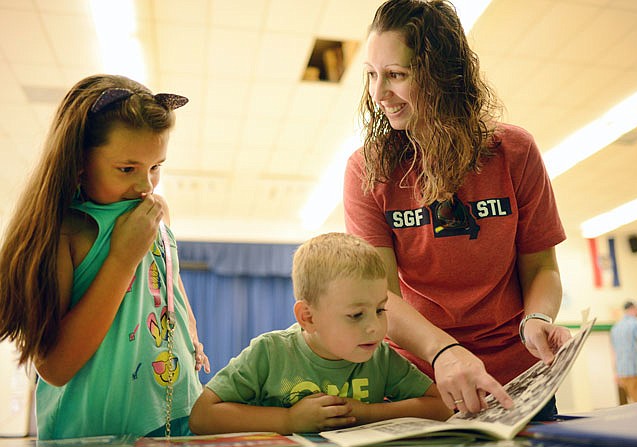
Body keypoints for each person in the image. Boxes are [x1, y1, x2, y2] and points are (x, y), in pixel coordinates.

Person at [343, 0, 573, 418]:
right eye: (372, 75)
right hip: (422, 381)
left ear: (442, 76)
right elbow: (381, 297)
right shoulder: (368, 169)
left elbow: (542, 268)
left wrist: (537, 317)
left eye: (396, 75)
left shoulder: (513, 152)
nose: (378, 94)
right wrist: (444, 351)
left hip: (516, 379)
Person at [0, 74, 210, 439]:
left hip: (176, 420)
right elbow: (55, 367)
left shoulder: (158, 212)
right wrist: (121, 259)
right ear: (79, 160)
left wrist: (188, 329)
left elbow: (169, 280)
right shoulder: (65, 230)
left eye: (156, 167)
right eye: (127, 169)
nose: (145, 185)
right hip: (94, 433)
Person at [189, 232, 451, 435]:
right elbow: (202, 416)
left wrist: (368, 413)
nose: (375, 327)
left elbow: (442, 405)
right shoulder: (269, 352)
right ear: (308, 317)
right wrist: (289, 419)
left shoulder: (379, 356)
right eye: (356, 315)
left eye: (380, 310)